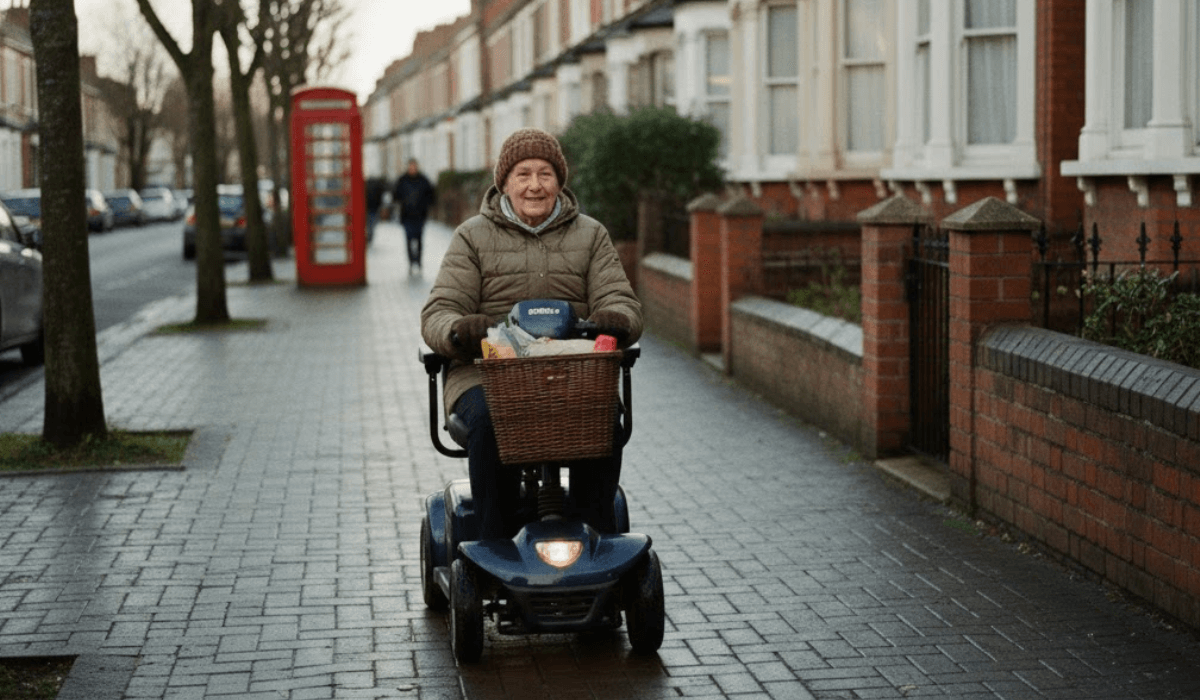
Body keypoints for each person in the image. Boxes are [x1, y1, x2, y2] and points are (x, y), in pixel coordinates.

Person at [421, 127, 643, 541]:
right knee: (491, 422)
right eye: (523, 174)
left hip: (572, 369)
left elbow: (621, 298)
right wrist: (456, 331)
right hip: (485, 373)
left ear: (560, 180)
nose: (535, 186)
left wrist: (618, 318)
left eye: (545, 174)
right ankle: (494, 544)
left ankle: (597, 538)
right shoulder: (472, 236)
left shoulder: (590, 235)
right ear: (504, 181)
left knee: (605, 419)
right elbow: (439, 310)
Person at [392, 158, 437, 270]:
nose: (412, 168)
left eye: (414, 166)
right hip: (406, 215)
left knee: (419, 239)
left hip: (420, 215)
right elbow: (396, 195)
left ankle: (419, 260)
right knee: (408, 239)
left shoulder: (424, 180)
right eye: (410, 166)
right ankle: (411, 261)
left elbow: (431, 195)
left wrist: (427, 205)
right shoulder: (402, 180)